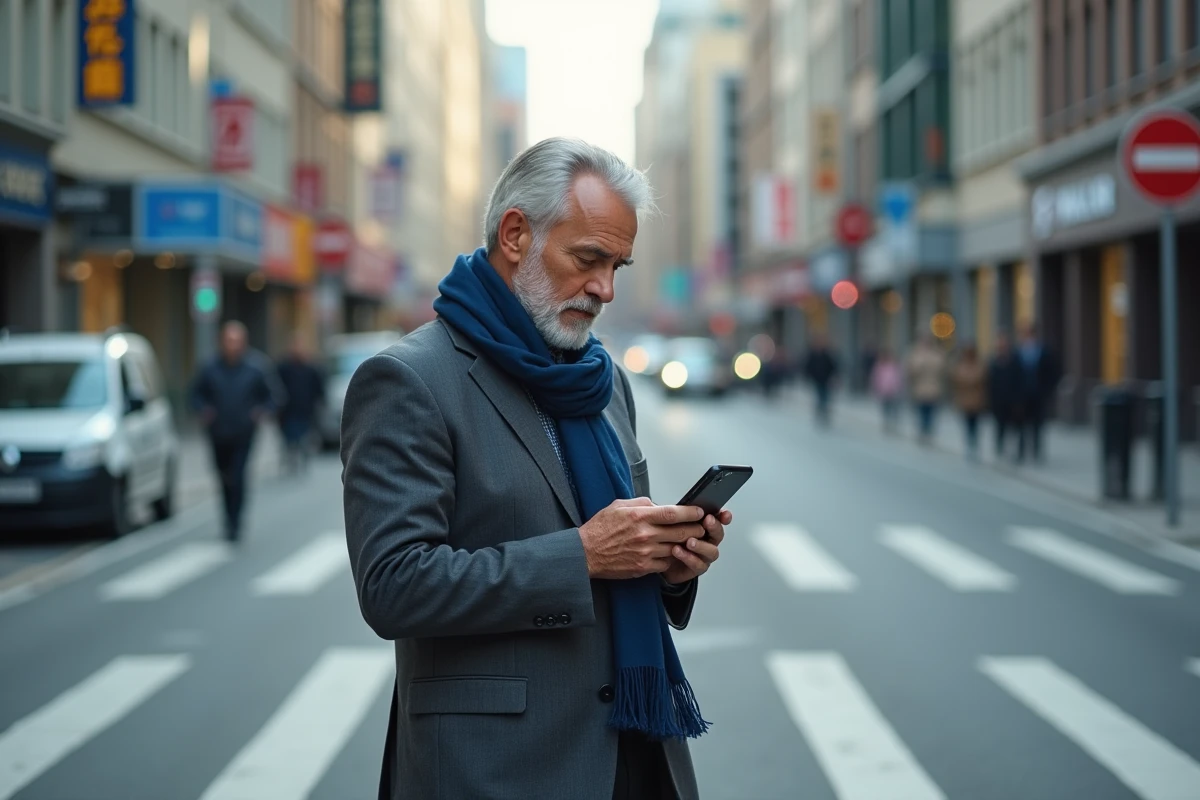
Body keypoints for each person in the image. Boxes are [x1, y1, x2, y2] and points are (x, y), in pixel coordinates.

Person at [341, 138, 730, 800]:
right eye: (588, 259)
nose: (605, 288)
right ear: (516, 234)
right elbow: (393, 586)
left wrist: (669, 561)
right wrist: (580, 555)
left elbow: (618, 548)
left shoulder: (602, 382)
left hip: (634, 755)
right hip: (492, 770)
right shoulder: (410, 380)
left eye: (618, 266)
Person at [189, 321, 277, 542]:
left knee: (238, 476)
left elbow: (273, 397)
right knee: (223, 477)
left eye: (236, 341)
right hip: (218, 434)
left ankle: (235, 522)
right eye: (229, 340)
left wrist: (259, 413)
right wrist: (204, 411)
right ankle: (227, 516)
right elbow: (195, 395)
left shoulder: (256, 367)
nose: (233, 345)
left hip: (243, 434)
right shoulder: (210, 367)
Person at [276, 334, 326, 473]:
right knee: (290, 436)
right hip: (288, 410)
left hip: (306, 409)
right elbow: (276, 386)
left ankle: (303, 455)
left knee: (304, 435)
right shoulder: (283, 367)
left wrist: (320, 403)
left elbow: (318, 387)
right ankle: (292, 457)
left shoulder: (311, 368)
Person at [1014, 324, 1061, 463]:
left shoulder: (1044, 351)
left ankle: (1037, 451)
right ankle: (1021, 452)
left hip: (1038, 395)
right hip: (1022, 396)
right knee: (1021, 425)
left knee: (1038, 425)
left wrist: (1047, 390)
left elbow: (1053, 372)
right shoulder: (1018, 352)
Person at [906, 334, 946, 443]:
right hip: (920, 390)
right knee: (921, 412)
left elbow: (941, 369)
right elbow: (911, 371)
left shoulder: (936, 354)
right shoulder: (916, 354)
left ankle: (928, 431)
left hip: (933, 388)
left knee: (931, 412)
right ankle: (923, 431)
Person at [951, 343, 987, 460]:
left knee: (975, 424)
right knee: (967, 424)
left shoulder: (979, 365)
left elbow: (982, 379)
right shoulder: (961, 365)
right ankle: (969, 445)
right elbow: (957, 380)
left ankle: (974, 444)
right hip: (965, 400)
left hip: (976, 400)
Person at [987, 332, 1019, 457]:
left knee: (1013, 426)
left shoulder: (1014, 360)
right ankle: (1000, 446)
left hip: (1011, 399)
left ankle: (1013, 449)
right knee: (999, 425)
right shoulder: (993, 361)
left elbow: (1018, 379)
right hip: (997, 400)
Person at [803, 333, 839, 426]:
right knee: (819, 395)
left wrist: (834, 376)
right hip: (817, 379)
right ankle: (820, 410)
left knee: (825, 396)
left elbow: (832, 366)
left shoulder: (826, 354)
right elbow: (808, 366)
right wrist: (808, 376)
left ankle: (824, 411)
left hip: (826, 379)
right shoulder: (812, 354)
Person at [870, 347, 903, 433]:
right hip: (884, 390)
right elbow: (876, 378)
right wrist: (877, 388)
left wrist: (899, 387)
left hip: (893, 390)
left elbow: (898, 378)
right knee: (886, 408)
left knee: (894, 408)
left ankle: (894, 423)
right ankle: (887, 423)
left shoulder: (894, 366)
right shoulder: (879, 366)